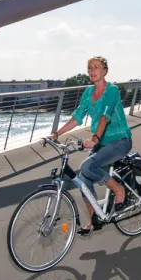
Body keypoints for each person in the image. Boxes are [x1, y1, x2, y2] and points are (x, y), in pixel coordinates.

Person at [45, 56, 133, 235]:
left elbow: (104, 117)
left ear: (105, 71)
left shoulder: (112, 90)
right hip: (101, 142)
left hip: (120, 140)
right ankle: (95, 219)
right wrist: (56, 134)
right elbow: (77, 117)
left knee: (87, 166)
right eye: (90, 68)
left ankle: (119, 189)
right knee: (84, 178)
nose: (92, 71)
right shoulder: (87, 93)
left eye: (97, 67)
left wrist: (94, 138)